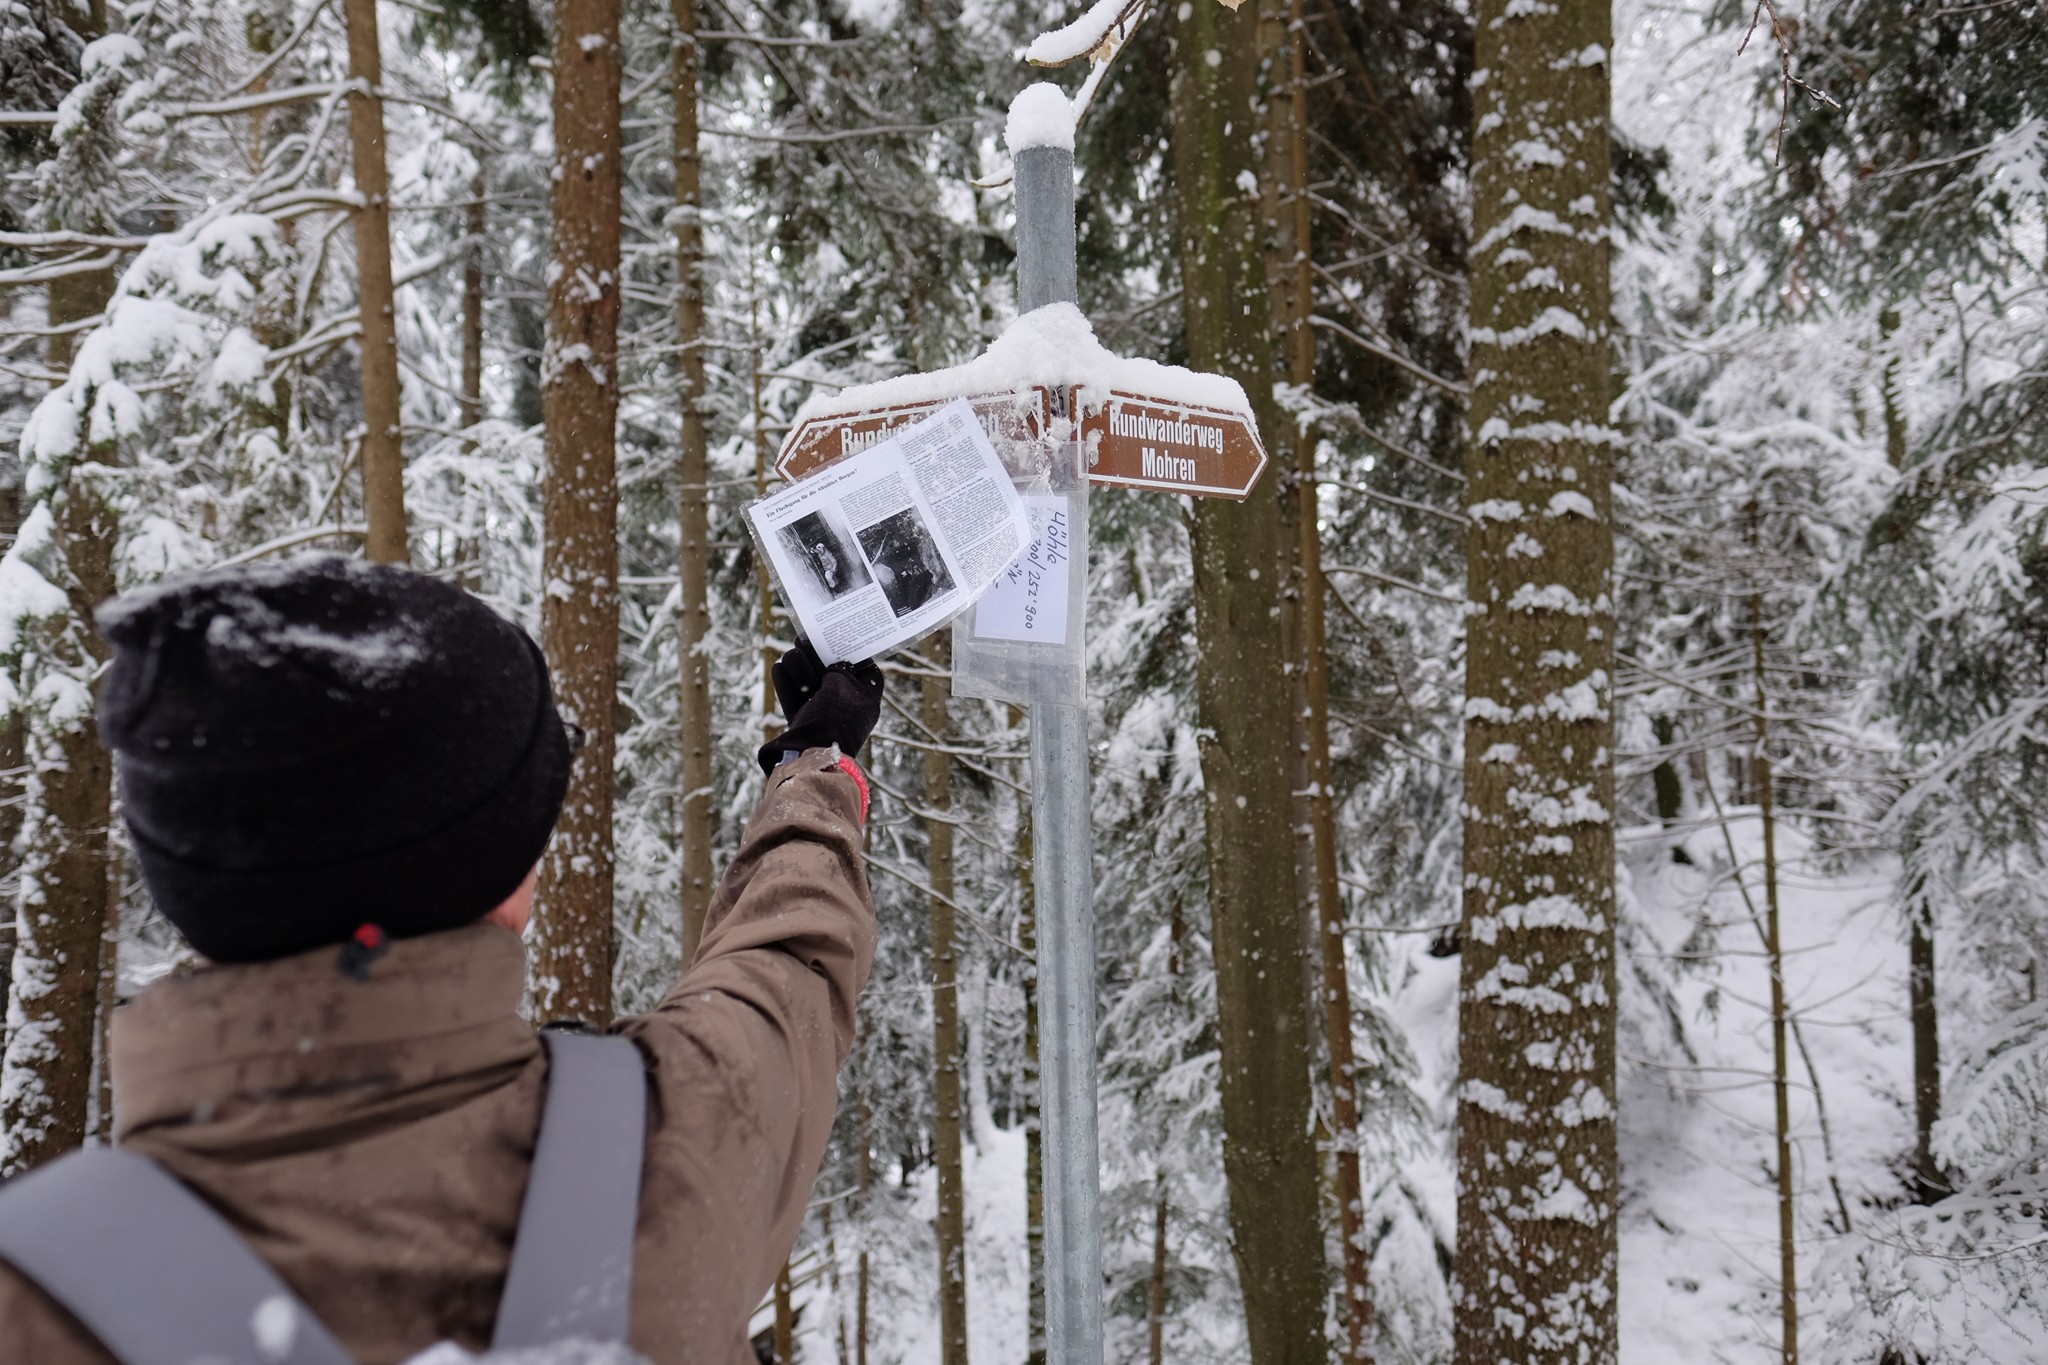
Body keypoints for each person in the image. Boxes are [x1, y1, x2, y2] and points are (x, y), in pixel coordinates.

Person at [0, 556, 884, 1365]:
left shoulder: (34, 1293)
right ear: (505, 886)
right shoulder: (680, 1142)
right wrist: (816, 759)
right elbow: (792, 955)